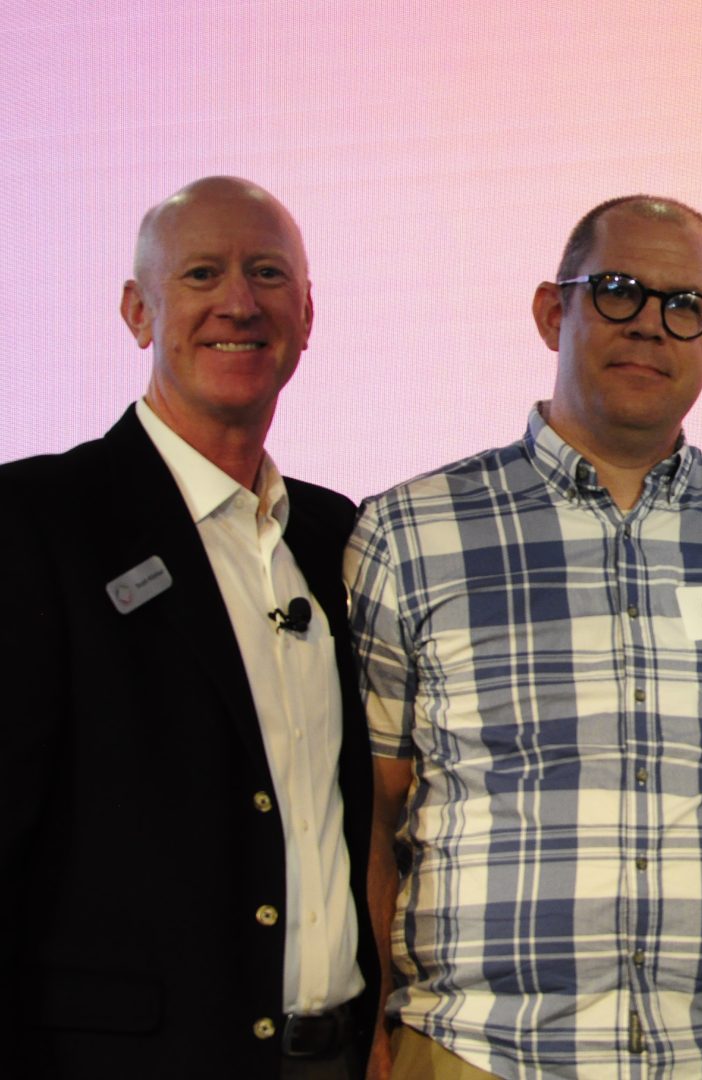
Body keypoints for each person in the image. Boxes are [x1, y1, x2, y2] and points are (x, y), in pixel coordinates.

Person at [347, 195, 702, 1079]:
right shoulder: (410, 533)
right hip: (478, 1048)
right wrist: (367, 1032)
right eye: (615, 292)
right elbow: (374, 816)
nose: (650, 324)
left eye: (685, 307)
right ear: (549, 311)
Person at [0, 176, 376, 1078]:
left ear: (308, 313)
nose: (238, 303)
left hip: (340, 1058)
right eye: (202, 274)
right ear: (139, 311)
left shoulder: (339, 537)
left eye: (268, 274)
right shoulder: (36, 521)